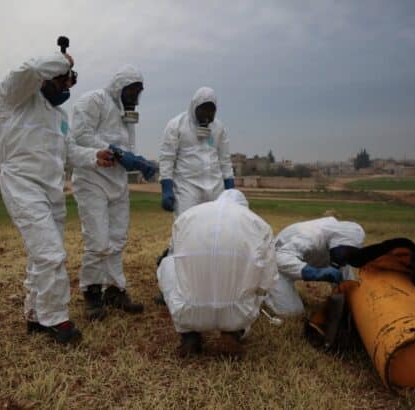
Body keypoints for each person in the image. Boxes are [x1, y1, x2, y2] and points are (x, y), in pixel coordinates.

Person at [0, 50, 115, 344]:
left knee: (42, 256)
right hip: (22, 184)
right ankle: (56, 319)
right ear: (47, 76)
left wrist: (93, 155)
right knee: (50, 253)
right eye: (62, 81)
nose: (66, 88)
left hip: (52, 191)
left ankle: (35, 314)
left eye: (70, 83)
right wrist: (63, 61)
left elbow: (69, 151)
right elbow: (28, 68)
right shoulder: (16, 98)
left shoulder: (60, 117)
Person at [70, 66, 156, 321]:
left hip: (117, 183)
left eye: (139, 91)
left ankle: (115, 290)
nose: (135, 96)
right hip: (92, 180)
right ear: (119, 87)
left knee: (117, 239)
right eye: (132, 90)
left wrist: (137, 160)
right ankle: (92, 292)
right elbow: (81, 136)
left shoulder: (127, 115)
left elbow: (126, 148)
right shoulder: (93, 100)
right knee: (98, 240)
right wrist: (119, 153)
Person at [157, 189, 278, 356]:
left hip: (189, 311)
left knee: (168, 263)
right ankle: (234, 333)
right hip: (238, 313)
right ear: (244, 206)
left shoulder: (187, 216)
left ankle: (188, 334)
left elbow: (176, 254)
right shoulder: (259, 223)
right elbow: (268, 280)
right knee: (258, 277)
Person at [158, 86, 234, 218]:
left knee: (214, 229)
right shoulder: (177, 125)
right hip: (187, 188)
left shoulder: (218, 128)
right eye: (204, 109)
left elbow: (225, 160)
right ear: (194, 107)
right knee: (186, 228)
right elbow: (167, 158)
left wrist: (230, 188)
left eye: (211, 111)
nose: (207, 115)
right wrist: (166, 187)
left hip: (216, 188)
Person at [265, 217, 365, 316]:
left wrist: (350, 296)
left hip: (306, 259)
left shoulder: (339, 241)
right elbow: (280, 258)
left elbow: (345, 271)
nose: (346, 257)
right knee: (292, 312)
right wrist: (312, 272)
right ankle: (262, 293)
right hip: (277, 267)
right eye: (345, 252)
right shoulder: (308, 236)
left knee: (350, 298)